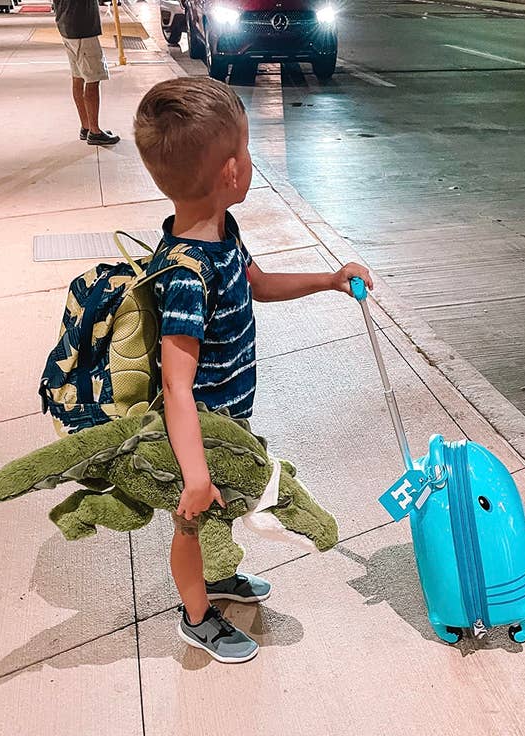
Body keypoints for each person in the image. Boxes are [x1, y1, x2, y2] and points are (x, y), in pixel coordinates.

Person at [134, 77, 372, 664]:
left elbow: (258, 284)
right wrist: (193, 472)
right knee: (191, 522)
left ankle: (218, 580)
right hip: (198, 432)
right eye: (244, 147)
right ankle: (196, 617)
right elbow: (176, 384)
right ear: (230, 172)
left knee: (222, 506)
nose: (250, 157)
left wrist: (329, 279)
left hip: (229, 419)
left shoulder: (223, 234)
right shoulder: (187, 275)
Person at [53, 0, 120, 146]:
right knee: (92, 79)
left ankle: (86, 126)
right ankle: (94, 131)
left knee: (78, 77)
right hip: (82, 27)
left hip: (67, 24)